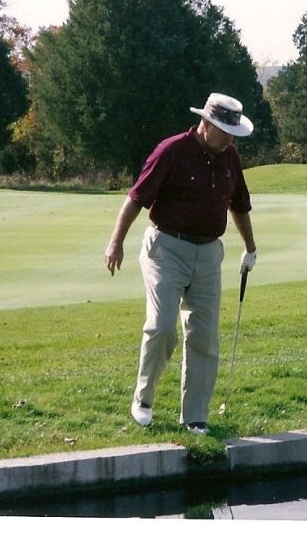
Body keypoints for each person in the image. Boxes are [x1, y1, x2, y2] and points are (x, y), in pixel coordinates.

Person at [104, 92, 258, 435]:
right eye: (225, 131)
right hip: (166, 249)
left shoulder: (229, 157)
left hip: (208, 254)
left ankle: (194, 416)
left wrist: (250, 247)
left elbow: (240, 205)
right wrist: (116, 242)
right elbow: (136, 199)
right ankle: (143, 399)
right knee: (161, 327)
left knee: (204, 336)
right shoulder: (171, 151)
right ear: (206, 124)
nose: (231, 139)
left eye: (233, 133)